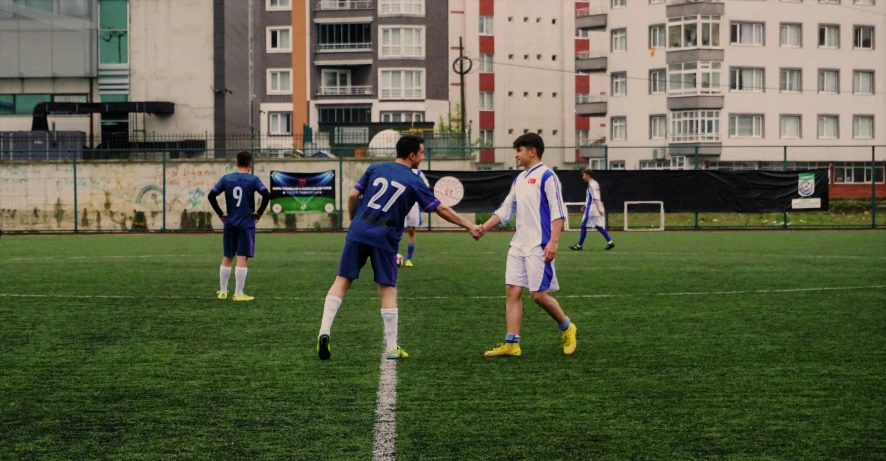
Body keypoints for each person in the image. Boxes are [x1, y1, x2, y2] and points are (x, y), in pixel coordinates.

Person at [317, 135, 482, 361]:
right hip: (384, 237)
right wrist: (469, 226)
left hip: (358, 231)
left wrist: (355, 221)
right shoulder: (414, 181)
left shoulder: (374, 168)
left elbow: (353, 195)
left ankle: (324, 331)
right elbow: (441, 209)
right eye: (422, 153)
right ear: (412, 155)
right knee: (386, 289)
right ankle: (392, 347)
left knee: (342, 281)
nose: (423, 158)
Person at [477, 133, 577, 357]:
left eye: (519, 150)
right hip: (518, 245)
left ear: (532, 151)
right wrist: (484, 226)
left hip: (538, 245)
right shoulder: (519, 179)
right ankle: (512, 343)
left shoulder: (547, 176)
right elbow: (506, 209)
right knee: (512, 290)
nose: (516, 155)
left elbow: (558, 213)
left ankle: (567, 327)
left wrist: (553, 242)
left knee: (538, 295)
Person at [207, 151, 270, 302]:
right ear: (250, 165)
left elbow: (211, 195)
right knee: (242, 257)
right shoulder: (253, 179)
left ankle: (223, 292)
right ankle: (239, 293)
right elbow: (266, 194)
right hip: (246, 223)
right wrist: (259, 213)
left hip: (230, 223)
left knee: (227, 256)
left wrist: (221, 214)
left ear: (236, 163)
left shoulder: (227, 179)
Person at [570, 168, 614, 251]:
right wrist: (586, 205)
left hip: (592, 210)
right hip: (593, 208)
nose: (583, 177)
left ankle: (579, 245)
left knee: (583, 226)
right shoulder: (595, 183)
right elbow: (593, 197)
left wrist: (598, 209)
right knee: (598, 226)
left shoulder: (591, 185)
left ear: (587, 175)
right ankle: (610, 242)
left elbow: (595, 198)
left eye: (583, 175)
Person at [401, 167, 429, 267]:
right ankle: (393, 256)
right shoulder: (399, 169)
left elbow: (425, 186)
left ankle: (409, 259)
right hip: (400, 203)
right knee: (397, 230)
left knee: (411, 230)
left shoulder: (417, 173)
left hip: (413, 204)